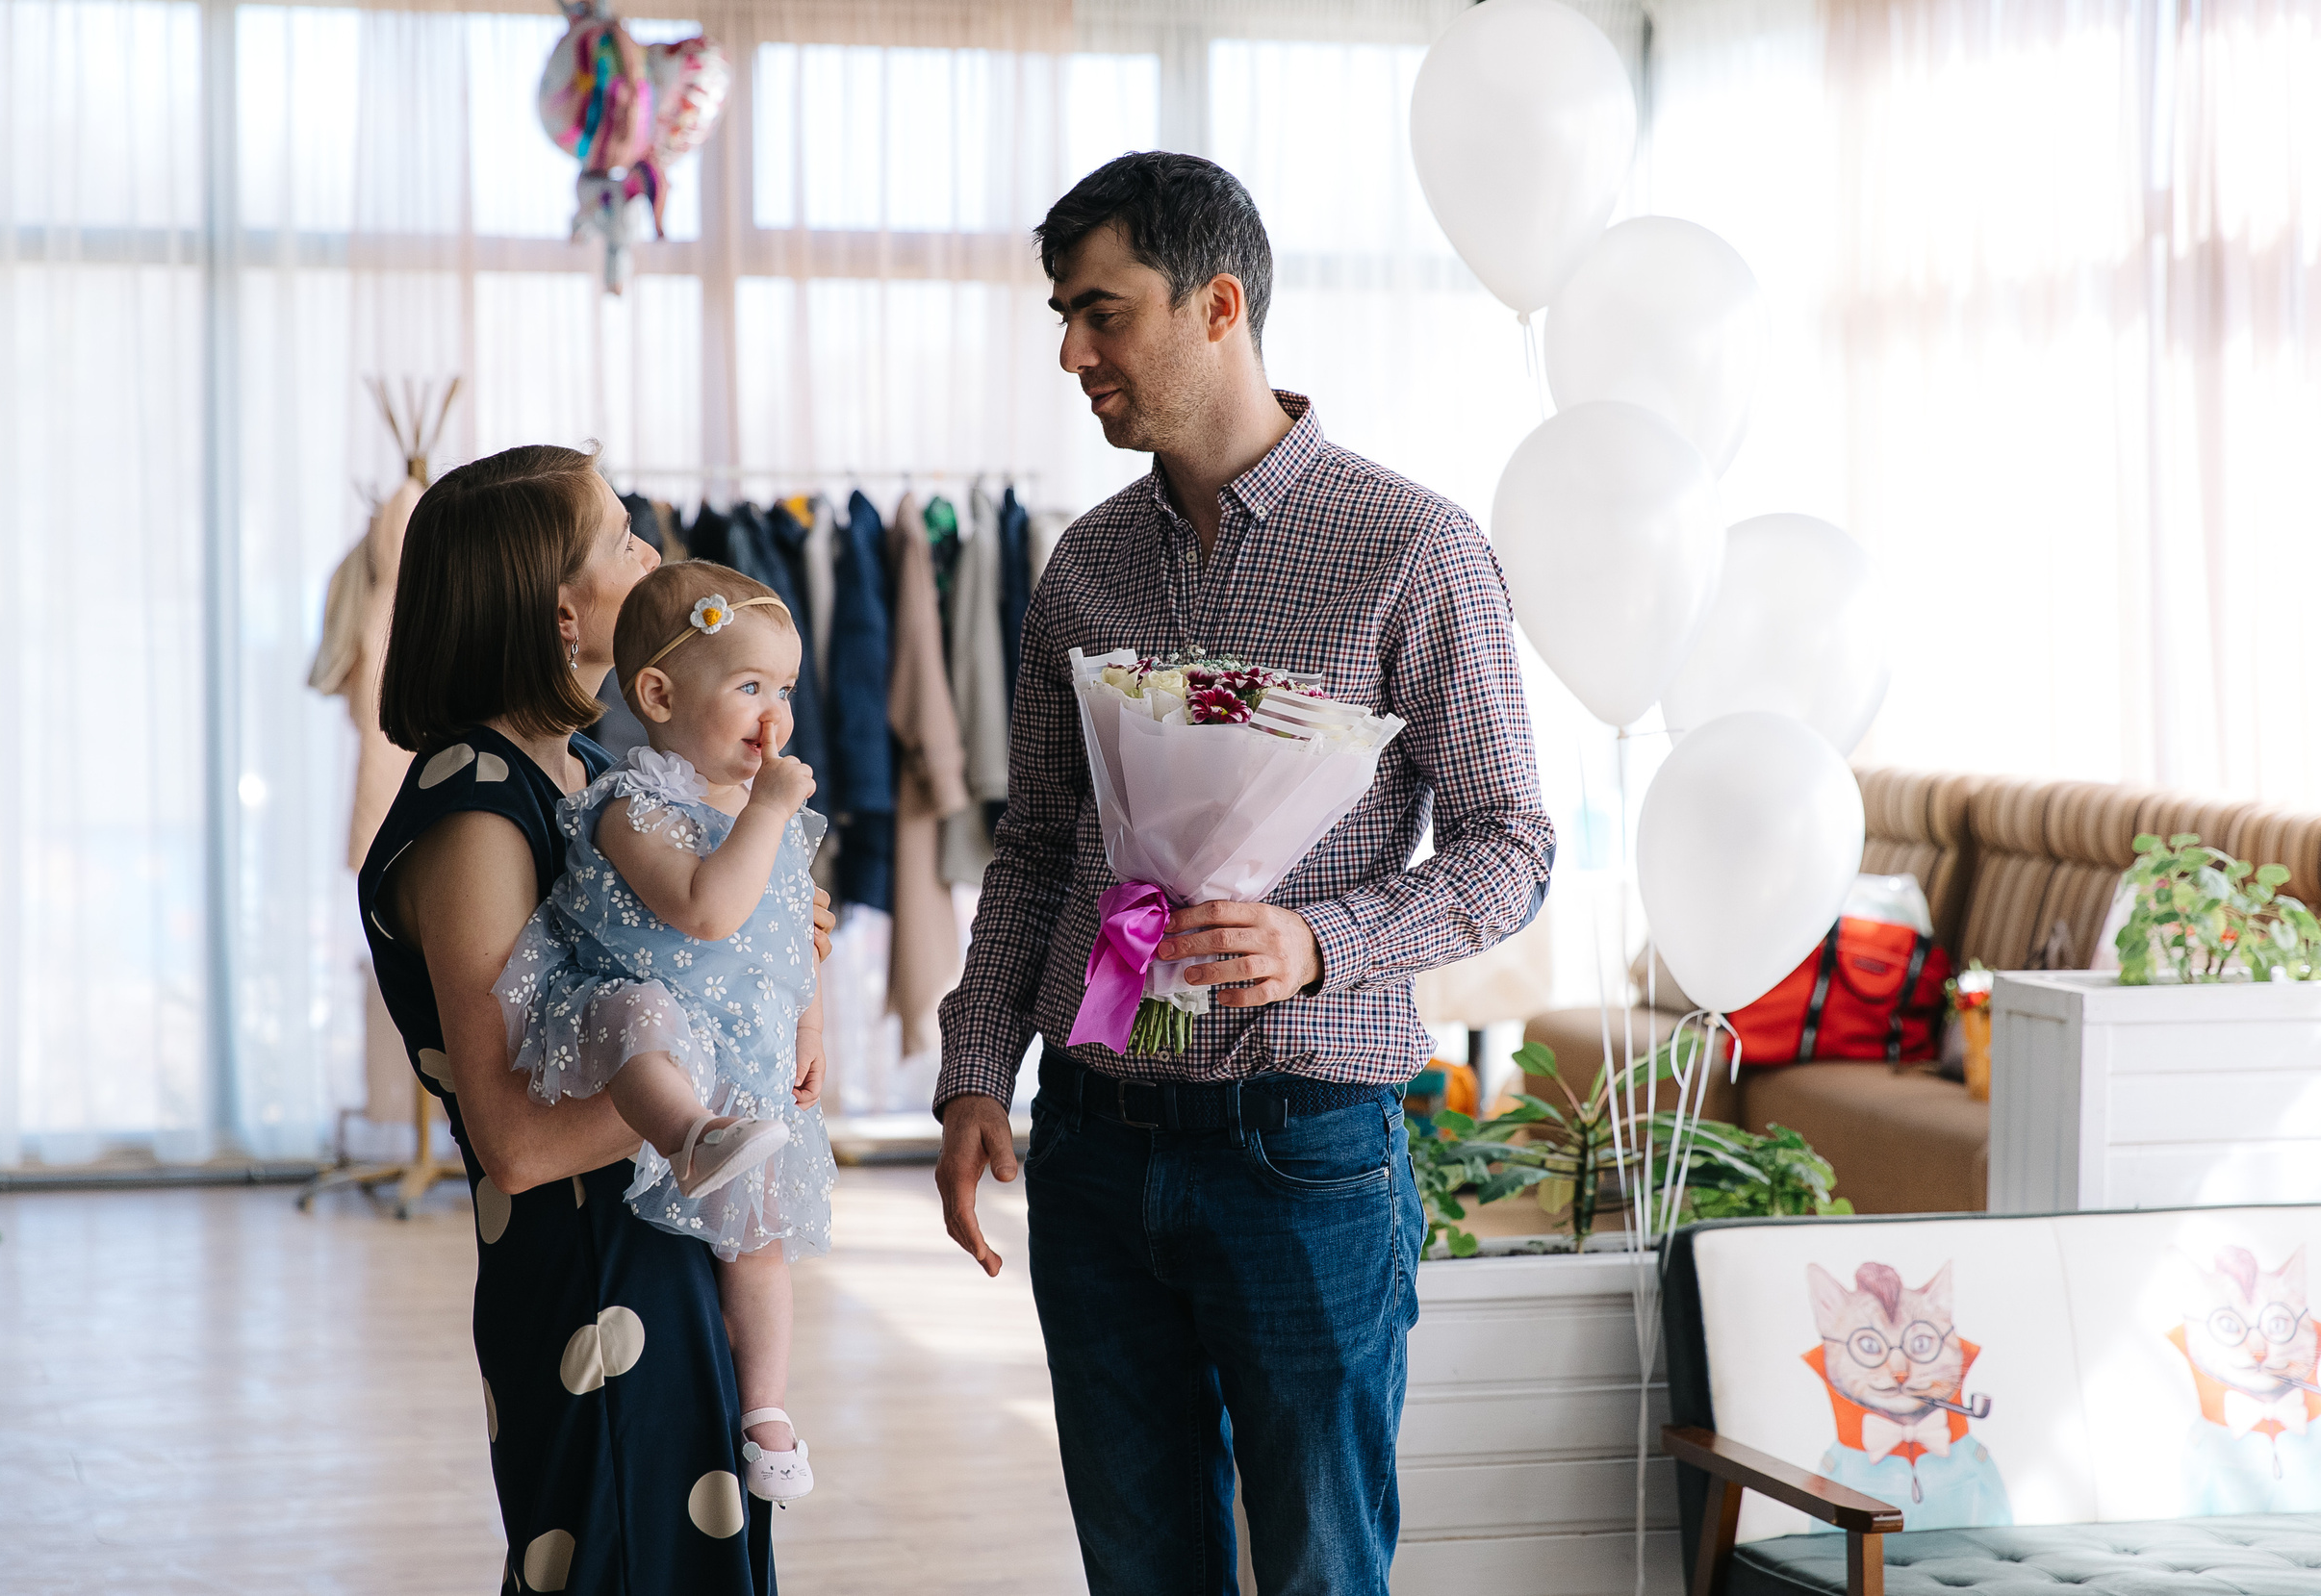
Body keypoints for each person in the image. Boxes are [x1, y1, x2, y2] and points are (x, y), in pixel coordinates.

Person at [933, 152, 1556, 1595]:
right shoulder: (1081, 566)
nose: (1074, 352)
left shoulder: (1415, 551)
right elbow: (1037, 846)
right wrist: (978, 1067)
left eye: (1103, 312)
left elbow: (1511, 845)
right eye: (1062, 316)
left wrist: (1318, 939)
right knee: (1140, 1571)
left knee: (1320, 1569)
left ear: (1219, 304)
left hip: (1306, 1149)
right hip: (1090, 1144)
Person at [360, 443, 828, 1594]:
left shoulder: (581, 771)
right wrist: (729, 1062)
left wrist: (772, 954)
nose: (653, 556)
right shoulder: (475, 804)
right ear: (562, 612)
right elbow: (516, 1142)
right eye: (622, 540)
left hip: (663, 1242)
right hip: (594, 1282)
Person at [494, 559, 837, 1505]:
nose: (775, 713)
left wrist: (812, 1031)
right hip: (641, 1025)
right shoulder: (627, 807)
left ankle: (767, 1410)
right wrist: (768, 813)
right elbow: (705, 912)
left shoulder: (772, 826)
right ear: (656, 694)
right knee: (641, 1022)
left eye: (785, 691)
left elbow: (790, 938)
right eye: (748, 688)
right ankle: (687, 1136)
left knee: (758, 1248)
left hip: (746, 1054)